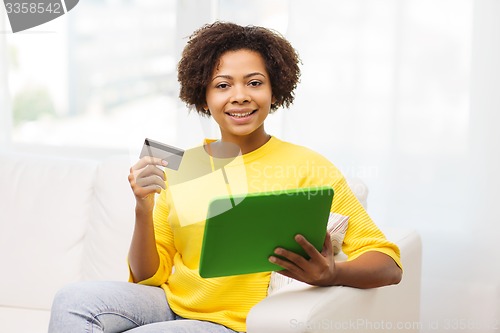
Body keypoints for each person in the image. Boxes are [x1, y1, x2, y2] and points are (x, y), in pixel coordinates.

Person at [48, 21, 402, 333]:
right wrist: (143, 206)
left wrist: (332, 274)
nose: (240, 96)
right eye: (222, 85)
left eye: (254, 82)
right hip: (170, 304)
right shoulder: (183, 165)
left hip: (234, 323)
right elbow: (146, 276)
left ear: (274, 90)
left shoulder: (307, 166)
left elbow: (388, 264)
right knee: (74, 300)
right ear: (202, 97)